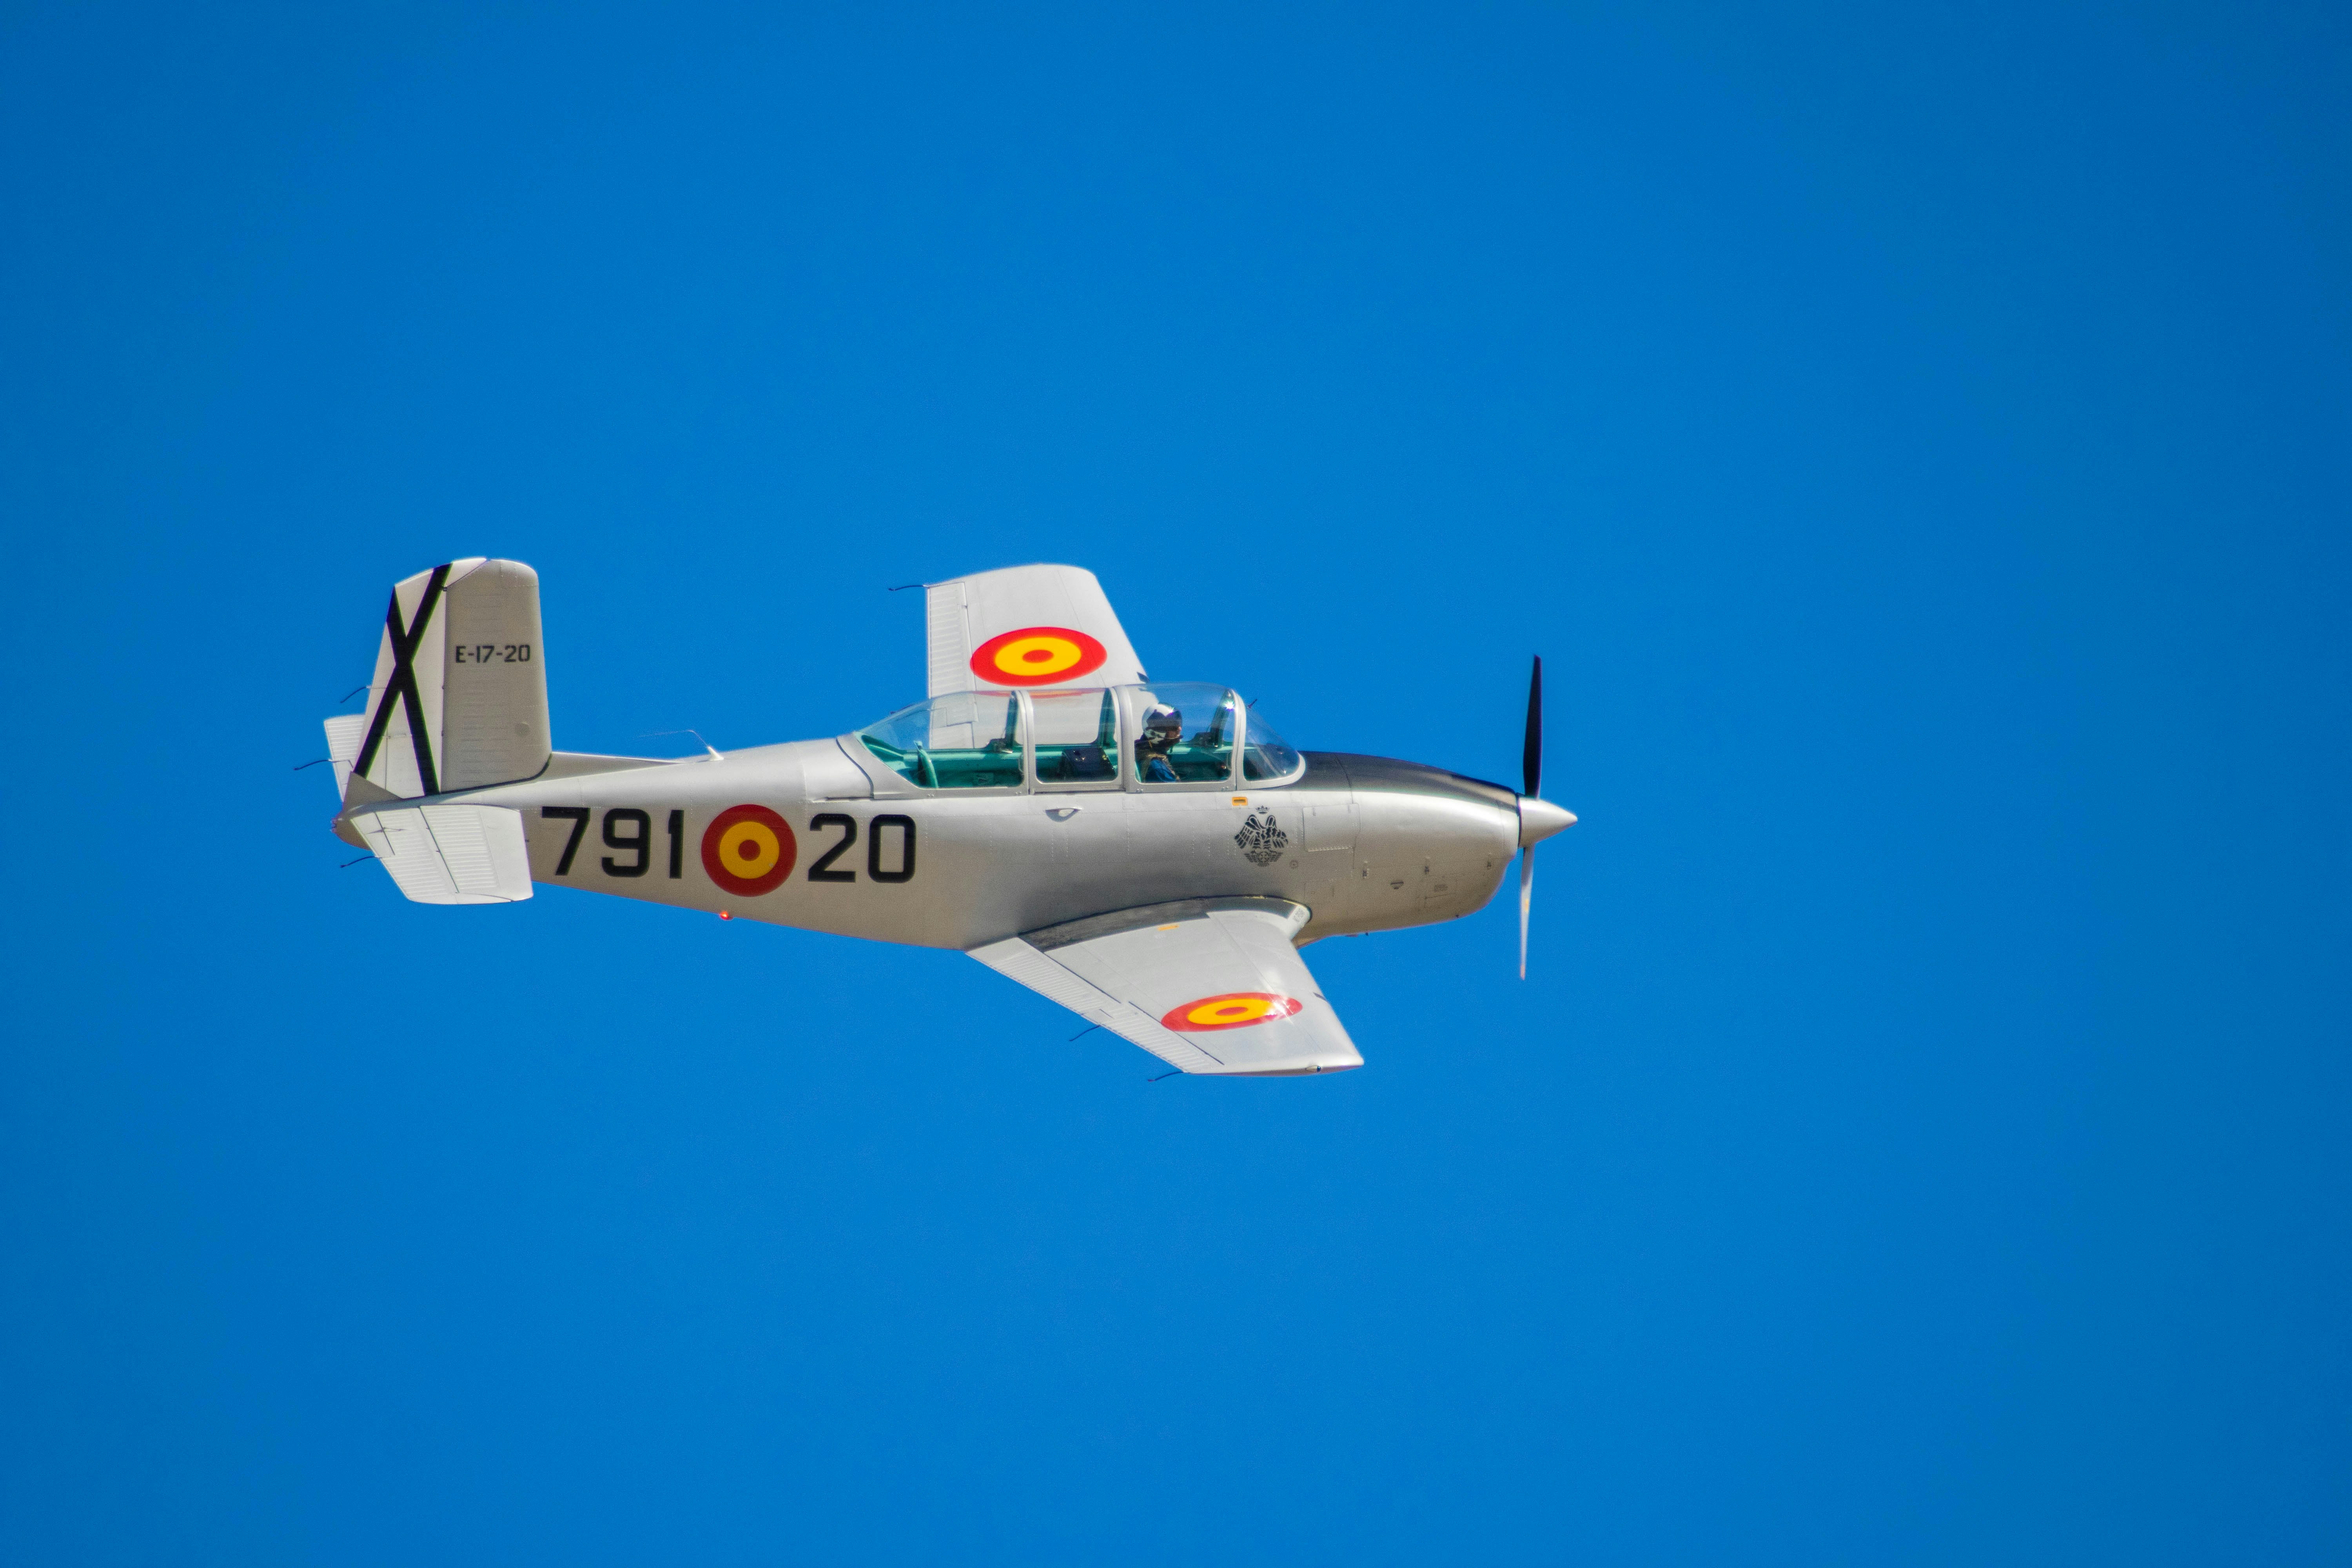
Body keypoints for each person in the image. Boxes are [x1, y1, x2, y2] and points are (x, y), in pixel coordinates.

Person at [1136, 702, 1182, 783]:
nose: (1179, 729)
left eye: (1179, 724)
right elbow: (1177, 790)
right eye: (1173, 726)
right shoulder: (1158, 769)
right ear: (1157, 731)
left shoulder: (1141, 748)